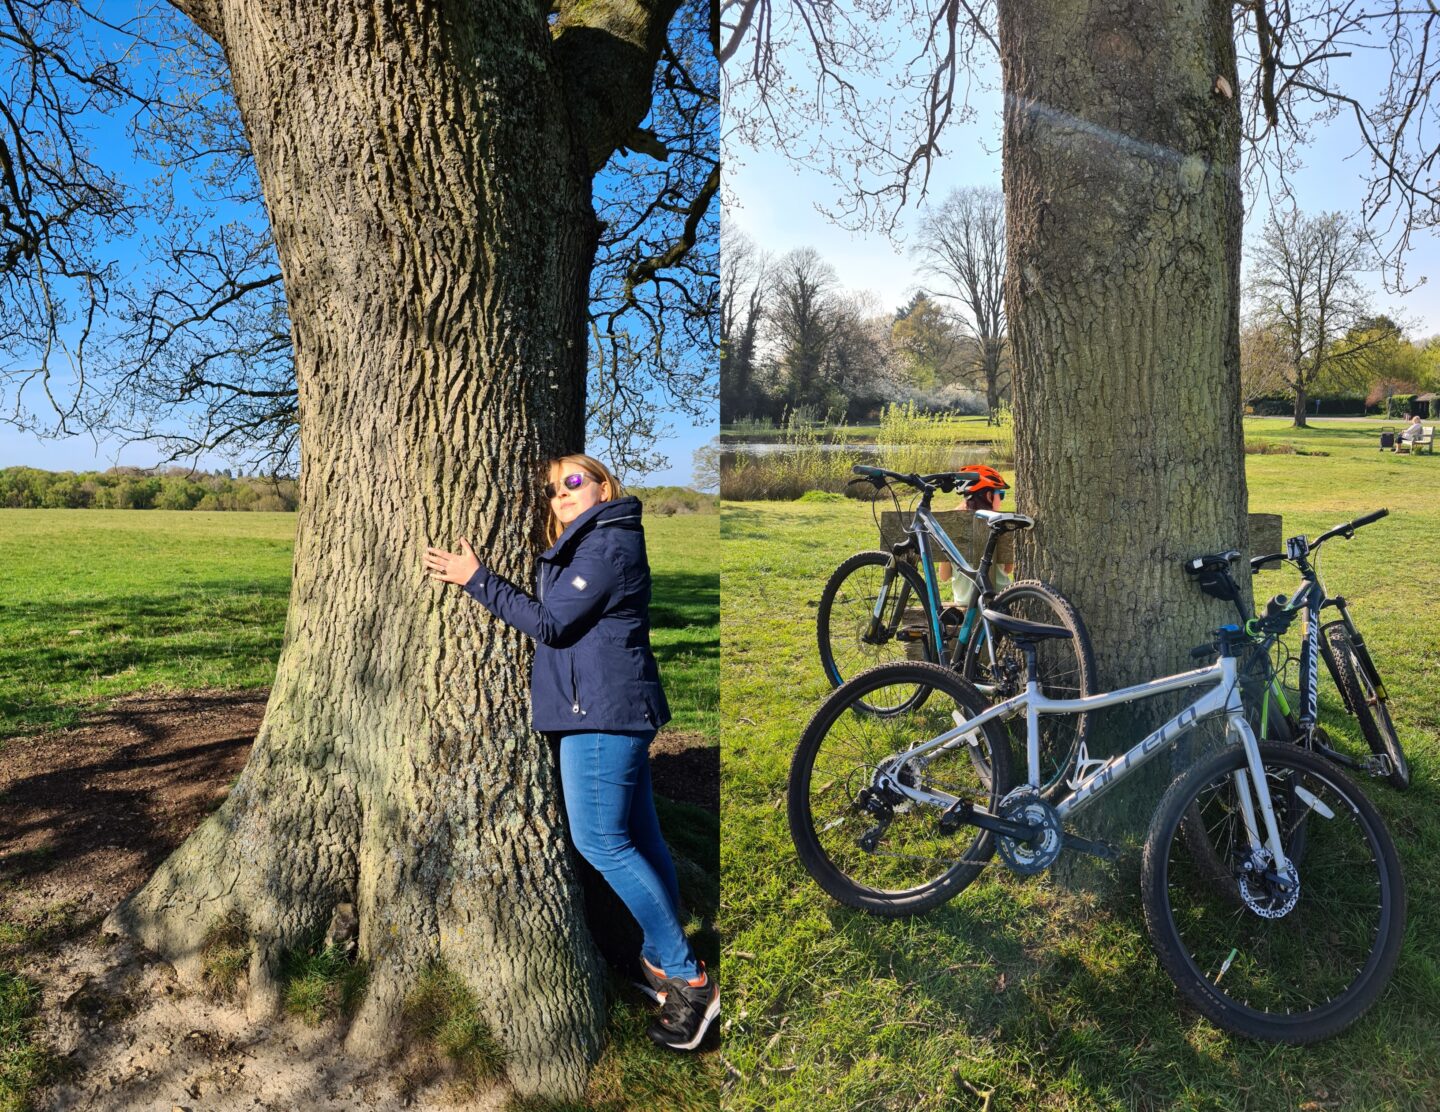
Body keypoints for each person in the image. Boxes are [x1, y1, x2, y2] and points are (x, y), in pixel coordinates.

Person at [423, 453, 718, 1052]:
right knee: (642, 837)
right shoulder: (593, 541)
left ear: (603, 486)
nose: (561, 494)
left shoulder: (607, 545)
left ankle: (689, 979)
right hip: (608, 710)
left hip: (601, 718)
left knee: (601, 842)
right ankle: (662, 961)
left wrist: (476, 578)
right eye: (553, 489)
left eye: (574, 482)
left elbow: (552, 624)